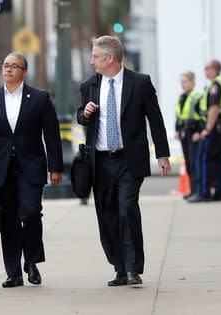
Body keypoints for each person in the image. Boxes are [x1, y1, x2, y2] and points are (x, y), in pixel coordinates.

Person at [77, 36, 171, 286]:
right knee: (107, 216)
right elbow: (80, 116)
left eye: (96, 56)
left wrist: (162, 153)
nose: (92, 61)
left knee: (127, 209)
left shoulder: (140, 83)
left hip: (129, 160)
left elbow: (155, 119)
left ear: (110, 58)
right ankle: (118, 267)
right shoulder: (89, 85)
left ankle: (133, 269)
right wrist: (84, 113)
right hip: (101, 161)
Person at [0, 52, 64, 288]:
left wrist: (56, 167)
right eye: (5, 65)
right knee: (9, 220)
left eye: (14, 66)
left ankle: (32, 261)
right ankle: (13, 272)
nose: (8, 69)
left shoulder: (40, 98)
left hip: (31, 167)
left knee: (31, 213)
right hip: (0, 169)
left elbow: (52, 135)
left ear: (24, 71)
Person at [188, 59, 221, 202]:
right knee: (219, 160)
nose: (205, 71)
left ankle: (204, 192)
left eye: (207, 68)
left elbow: (214, 108)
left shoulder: (216, 85)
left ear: (215, 69)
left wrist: (207, 129)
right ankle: (219, 192)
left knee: (204, 159)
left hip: (214, 128)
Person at [174, 72, 203, 200]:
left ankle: (199, 191)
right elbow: (179, 116)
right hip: (184, 133)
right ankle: (193, 190)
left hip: (194, 133)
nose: (183, 84)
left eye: (185, 81)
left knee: (195, 162)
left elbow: (203, 117)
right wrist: (177, 130)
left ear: (192, 82)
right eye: (181, 81)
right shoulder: (182, 97)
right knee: (189, 163)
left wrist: (199, 132)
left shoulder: (197, 97)